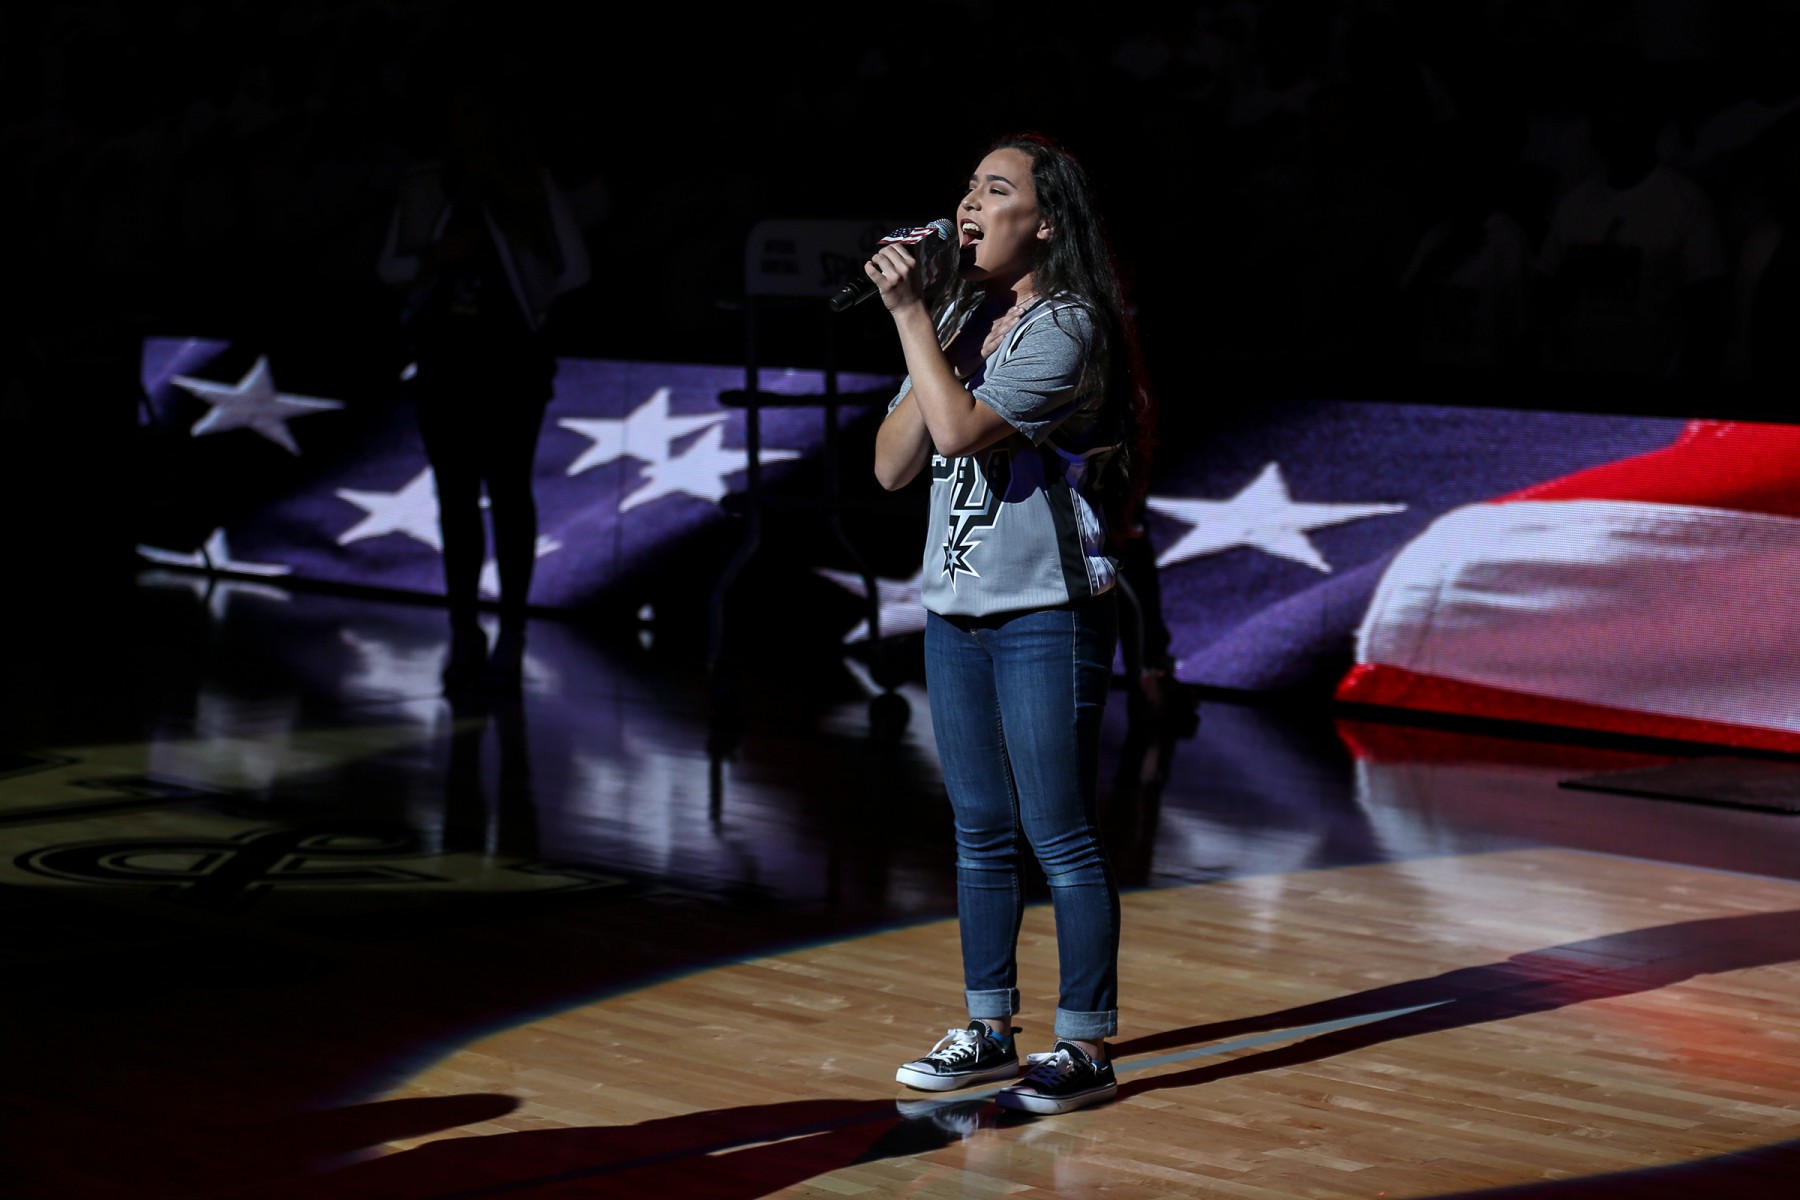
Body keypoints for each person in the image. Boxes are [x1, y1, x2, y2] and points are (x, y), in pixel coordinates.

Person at [870, 132, 1153, 1116]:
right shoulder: (960, 318)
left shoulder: (1068, 325)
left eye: (996, 189)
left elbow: (958, 432)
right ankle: (988, 1030)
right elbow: (893, 466)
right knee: (979, 829)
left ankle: (1086, 1045)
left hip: (1047, 610)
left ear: (1046, 223)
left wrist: (912, 316)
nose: (970, 204)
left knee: (1058, 830)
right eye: (969, 187)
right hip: (956, 608)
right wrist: (929, 321)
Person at [376, 82, 590, 694]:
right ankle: (464, 629)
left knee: (509, 492)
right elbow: (389, 266)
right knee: (456, 497)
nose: (465, 129)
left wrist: (524, 271)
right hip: (445, 359)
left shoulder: (530, 185)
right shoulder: (427, 186)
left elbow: (575, 271)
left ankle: (511, 632)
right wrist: (437, 257)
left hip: (511, 362)